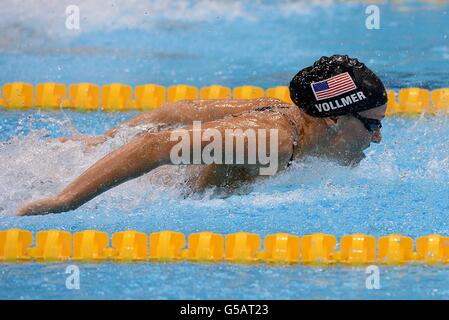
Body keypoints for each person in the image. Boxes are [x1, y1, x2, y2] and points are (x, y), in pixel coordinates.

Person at [16, 54, 387, 216]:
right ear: (335, 119)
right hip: (131, 192)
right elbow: (157, 144)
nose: (377, 139)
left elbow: (176, 112)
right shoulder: (270, 143)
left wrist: (103, 141)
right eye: (371, 125)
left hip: (82, 166)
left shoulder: (282, 113)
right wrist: (65, 200)